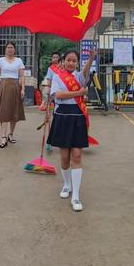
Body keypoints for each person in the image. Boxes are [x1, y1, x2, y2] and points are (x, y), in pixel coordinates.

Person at [47, 48, 95, 212]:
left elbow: (86, 72)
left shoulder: (79, 77)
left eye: (74, 60)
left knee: (77, 155)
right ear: (63, 61)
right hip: (62, 117)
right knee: (65, 157)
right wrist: (79, 92)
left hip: (78, 117)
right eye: (68, 60)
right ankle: (67, 184)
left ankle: (76, 196)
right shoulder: (57, 77)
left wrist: (90, 59)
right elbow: (58, 95)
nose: (71, 63)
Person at [0, 41, 26, 148]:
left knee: (14, 111)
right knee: (4, 111)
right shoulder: (1, 60)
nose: (10, 49)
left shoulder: (19, 60)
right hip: (4, 86)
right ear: (5, 49)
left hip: (16, 87)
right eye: (8, 47)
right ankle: (3, 137)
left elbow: (22, 76)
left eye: (12, 47)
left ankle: (10, 134)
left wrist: (23, 89)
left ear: (14, 49)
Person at [42, 51, 61, 150]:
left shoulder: (62, 67)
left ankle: (59, 138)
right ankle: (49, 141)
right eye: (53, 57)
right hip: (53, 93)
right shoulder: (50, 69)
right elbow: (49, 80)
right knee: (48, 117)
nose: (55, 59)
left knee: (57, 116)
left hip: (61, 93)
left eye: (57, 57)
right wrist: (48, 90)